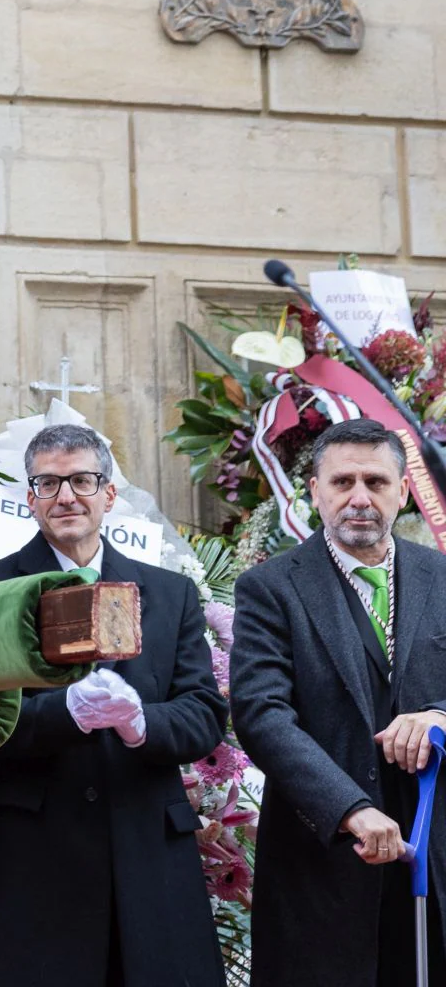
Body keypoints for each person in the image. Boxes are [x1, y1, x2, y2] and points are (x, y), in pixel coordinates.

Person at [0, 423, 227, 987]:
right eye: (48, 484)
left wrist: (141, 722)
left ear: (109, 494)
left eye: (82, 480)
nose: (66, 497)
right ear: (29, 498)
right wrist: (67, 713)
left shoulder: (168, 592)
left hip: (149, 848)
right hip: (40, 853)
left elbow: (205, 714)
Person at [232, 416, 446, 987]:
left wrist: (440, 715)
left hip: (436, 856)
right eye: (342, 482)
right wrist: (350, 809)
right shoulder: (271, 587)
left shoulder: (443, 577)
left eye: (375, 482)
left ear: (403, 492)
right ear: (315, 491)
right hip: (323, 864)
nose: (359, 498)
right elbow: (261, 715)